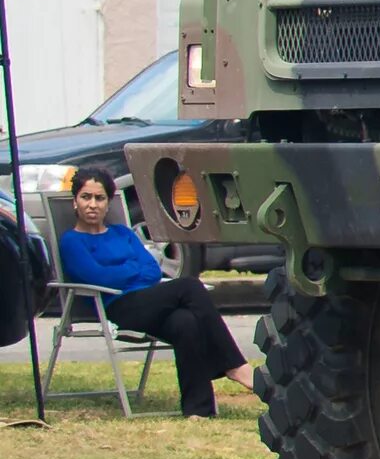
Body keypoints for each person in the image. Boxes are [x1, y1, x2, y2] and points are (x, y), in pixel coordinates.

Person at [54, 173, 254, 417]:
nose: (93, 204)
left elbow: (151, 270)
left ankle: (198, 410)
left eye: (100, 198)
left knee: (185, 322)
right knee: (190, 286)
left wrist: (123, 272)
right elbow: (99, 278)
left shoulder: (123, 234)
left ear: (108, 203)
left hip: (149, 301)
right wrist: (131, 269)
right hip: (119, 308)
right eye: (86, 197)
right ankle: (234, 365)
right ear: (75, 202)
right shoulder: (72, 242)